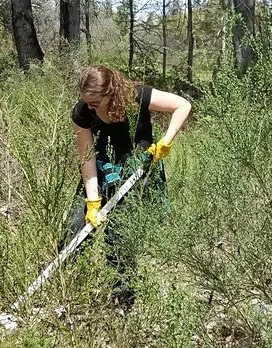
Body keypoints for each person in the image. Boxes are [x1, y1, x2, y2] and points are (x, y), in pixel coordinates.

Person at [64, 65, 192, 306]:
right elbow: (86, 158)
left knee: (118, 237)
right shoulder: (82, 112)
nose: (90, 106)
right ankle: (71, 290)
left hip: (134, 172)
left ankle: (123, 301)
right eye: (86, 101)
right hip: (101, 171)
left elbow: (182, 105)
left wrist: (165, 142)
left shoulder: (137, 96)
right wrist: (92, 200)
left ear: (110, 92)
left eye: (95, 102)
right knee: (75, 229)